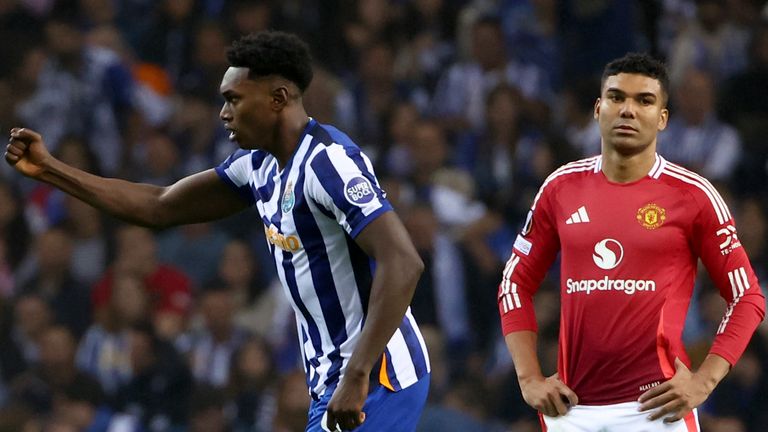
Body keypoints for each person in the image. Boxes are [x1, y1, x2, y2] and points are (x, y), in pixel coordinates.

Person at [5, 30, 430, 432]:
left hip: (378, 375)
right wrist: (50, 169)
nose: (224, 113)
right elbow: (159, 205)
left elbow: (403, 262)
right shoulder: (258, 165)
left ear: (278, 98)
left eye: (233, 99)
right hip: (334, 379)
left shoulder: (328, 163)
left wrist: (357, 373)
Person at [497, 52, 765, 431]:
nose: (628, 110)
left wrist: (704, 381)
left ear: (662, 118)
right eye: (617, 97)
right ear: (598, 109)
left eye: (644, 101)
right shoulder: (560, 188)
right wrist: (528, 378)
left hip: (656, 411)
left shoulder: (693, 195)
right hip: (570, 410)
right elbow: (514, 283)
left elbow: (747, 296)